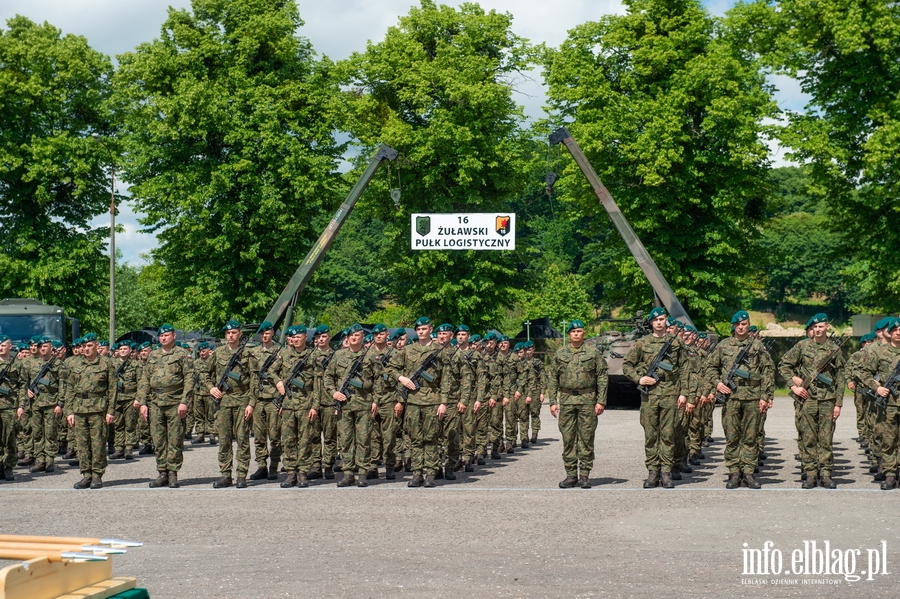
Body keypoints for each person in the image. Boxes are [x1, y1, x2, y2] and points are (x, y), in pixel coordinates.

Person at [623, 307, 690, 489]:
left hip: (670, 394)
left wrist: (684, 393)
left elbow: (685, 368)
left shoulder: (676, 343)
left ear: (666, 320)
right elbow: (627, 365)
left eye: (662, 319)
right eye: (656, 320)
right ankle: (653, 472)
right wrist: (639, 378)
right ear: (651, 323)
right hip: (650, 396)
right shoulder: (642, 343)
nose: (659, 322)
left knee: (668, 435)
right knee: (651, 435)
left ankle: (666, 472)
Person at [704, 311, 772, 489]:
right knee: (732, 437)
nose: (741, 327)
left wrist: (766, 396)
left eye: (744, 324)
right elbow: (710, 367)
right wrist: (717, 384)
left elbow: (768, 371)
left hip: (752, 397)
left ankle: (748, 473)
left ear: (749, 325)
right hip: (731, 398)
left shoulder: (757, 346)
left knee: (750, 437)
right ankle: (734, 473)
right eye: (738, 324)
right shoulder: (723, 345)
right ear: (733, 326)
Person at [778, 312, 845, 489]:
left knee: (825, 438)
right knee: (808, 437)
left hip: (827, 400)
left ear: (827, 327)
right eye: (814, 327)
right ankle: (810, 473)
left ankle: (825, 474)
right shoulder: (802, 346)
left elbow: (840, 377)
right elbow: (784, 365)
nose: (817, 330)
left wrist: (838, 403)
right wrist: (793, 384)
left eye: (821, 326)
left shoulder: (834, 349)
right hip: (807, 399)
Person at [387, 317, 450, 487]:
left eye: (424, 329)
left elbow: (446, 379)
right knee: (414, 438)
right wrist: (402, 379)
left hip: (432, 400)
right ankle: (416, 473)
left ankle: (431, 473)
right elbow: (390, 368)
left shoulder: (440, 350)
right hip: (413, 401)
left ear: (431, 329)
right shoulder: (408, 350)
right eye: (418, 329)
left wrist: (443, 402)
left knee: (431, 438)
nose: (421, 332)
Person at [546, 320, 608, 489]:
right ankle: (571, 475)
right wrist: (552, 402)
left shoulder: (593, 352)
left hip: (587, 399)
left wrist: (601, 400)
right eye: (573, 332)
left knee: (586, 438)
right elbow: (552, 378)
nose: (576, 334)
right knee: (568, 438)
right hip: (566, 400)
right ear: (569, 334)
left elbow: (602, 376)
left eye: (579, 331)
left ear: (584, 333)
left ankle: (585, 475)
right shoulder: (560, 353)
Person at [138, 324, 193, 488]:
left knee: (175, 439)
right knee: (158, 438)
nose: (163, 338)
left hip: (175, 402)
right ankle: (162, 472)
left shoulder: (182, 354)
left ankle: (173, 473)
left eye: (167, 335)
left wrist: (184, 401)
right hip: (156, 402)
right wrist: (142, 402)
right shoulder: (153, 356)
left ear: (173, 336)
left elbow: (189, 379)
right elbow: (144, 380)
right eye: (161, 336)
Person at [205, 320, 258, 489]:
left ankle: (242, 475)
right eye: (228, 333)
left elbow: (255, 381)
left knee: (242, 439)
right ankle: (226, 475)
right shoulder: (218, 353)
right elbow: (205, 373)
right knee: (224, 440)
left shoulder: (248, 354)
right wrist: (211, 388)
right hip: (223, 402)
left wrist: (251, 403)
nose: (230, 335)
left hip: (242, 400)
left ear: (240, 334)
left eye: (234, 332)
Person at [63, 333, 117, 489]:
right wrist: (70, 412)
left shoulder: (106, 363)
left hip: (98, 408)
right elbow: (70, 389)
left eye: (89, 346)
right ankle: (86, 474)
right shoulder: (75, 364)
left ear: (96, 346)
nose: (86, 349)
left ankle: (97, 475)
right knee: (82, 443)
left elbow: (113, 389)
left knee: (98, 443)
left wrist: (111, 410)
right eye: (84, 346)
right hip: (79, 408)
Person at [325, 324, 375, 487]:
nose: (354, 338)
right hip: (344, 405)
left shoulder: (369, 355)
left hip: (363, 404)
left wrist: (375, 400)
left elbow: (379, 380)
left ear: (362, 337)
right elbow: (328, 377)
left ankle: (362, 473)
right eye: (351, 336)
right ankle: (348, 473)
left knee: (363, 439)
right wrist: (333, 393)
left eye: (357, 335)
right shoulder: (338, 355)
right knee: (345, 440)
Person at [855, 318, 900, 490]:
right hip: (888, 403)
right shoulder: (880, 352)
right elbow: (863, 372)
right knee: (888, 440)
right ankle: (889, 474)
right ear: (890, 332)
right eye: (895, 329)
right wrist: (877, 387)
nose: (898, 332)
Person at [276, 325, 317, 488]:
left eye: (298, 336)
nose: (295, 339)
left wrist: (315, 406)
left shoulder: (312, 356)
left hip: (306, 403)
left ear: (305, 337)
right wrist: (278, 382)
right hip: (288, 403)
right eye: (293, 337)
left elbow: (317, 384)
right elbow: (271, 372)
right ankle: (290, 473)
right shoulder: (284, 354)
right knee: (288, 439)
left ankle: (302, 473)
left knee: (305, 440)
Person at [18, 336, 64, 473]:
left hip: (51, 402)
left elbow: (63, 385)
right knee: (37, 433)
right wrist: (26, 391)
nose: (42, 349)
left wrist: (60, 404)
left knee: (50, 433)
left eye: (45, 347)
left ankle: (49, 461)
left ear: (51, 348)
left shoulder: (58, 364)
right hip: (35, 403)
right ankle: (39, 460)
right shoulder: (31, 364)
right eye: (40, 347)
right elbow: (23, 383)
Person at [249, 321, 282, 482]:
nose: (264, 335)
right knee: (259, 435)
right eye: (262, 333)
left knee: (275, 435)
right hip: (258, 399)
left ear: (272, 334)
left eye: (267, 333)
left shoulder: (279, 351)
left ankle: (274, 466)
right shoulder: (253, 352)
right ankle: (261, 465)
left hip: (274, 398)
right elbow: (252, 377)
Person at [0, 335, 25, 481]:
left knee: (9, 438)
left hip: (10, 406)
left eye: (3, 345)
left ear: (10, 347)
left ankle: (9, 467)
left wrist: (21, 405)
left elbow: (22, 386)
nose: (1, 348)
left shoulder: (16, 364)